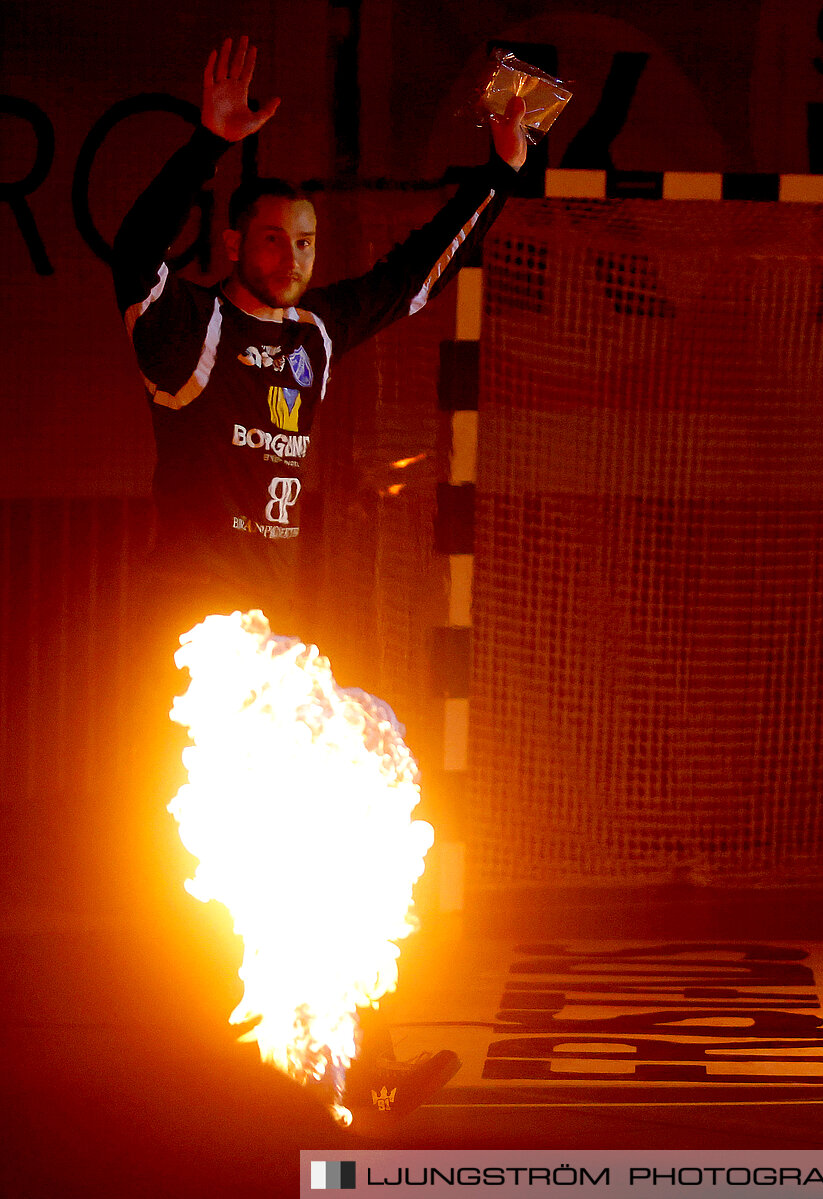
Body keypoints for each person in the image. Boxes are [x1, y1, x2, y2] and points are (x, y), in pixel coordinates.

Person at [112, 35, 528, 1130]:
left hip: (289, 642)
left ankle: (341, 1059)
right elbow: (131, 252)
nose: (292, 256)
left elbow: (411, 276)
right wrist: (210, 140)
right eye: (273, 237)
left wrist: (496, 169)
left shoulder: (314, 338)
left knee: (320, 833)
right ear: (236, 241)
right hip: (207, 639)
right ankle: (246, 1070)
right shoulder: (191, 334)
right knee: (242, 852)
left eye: (304, 240)